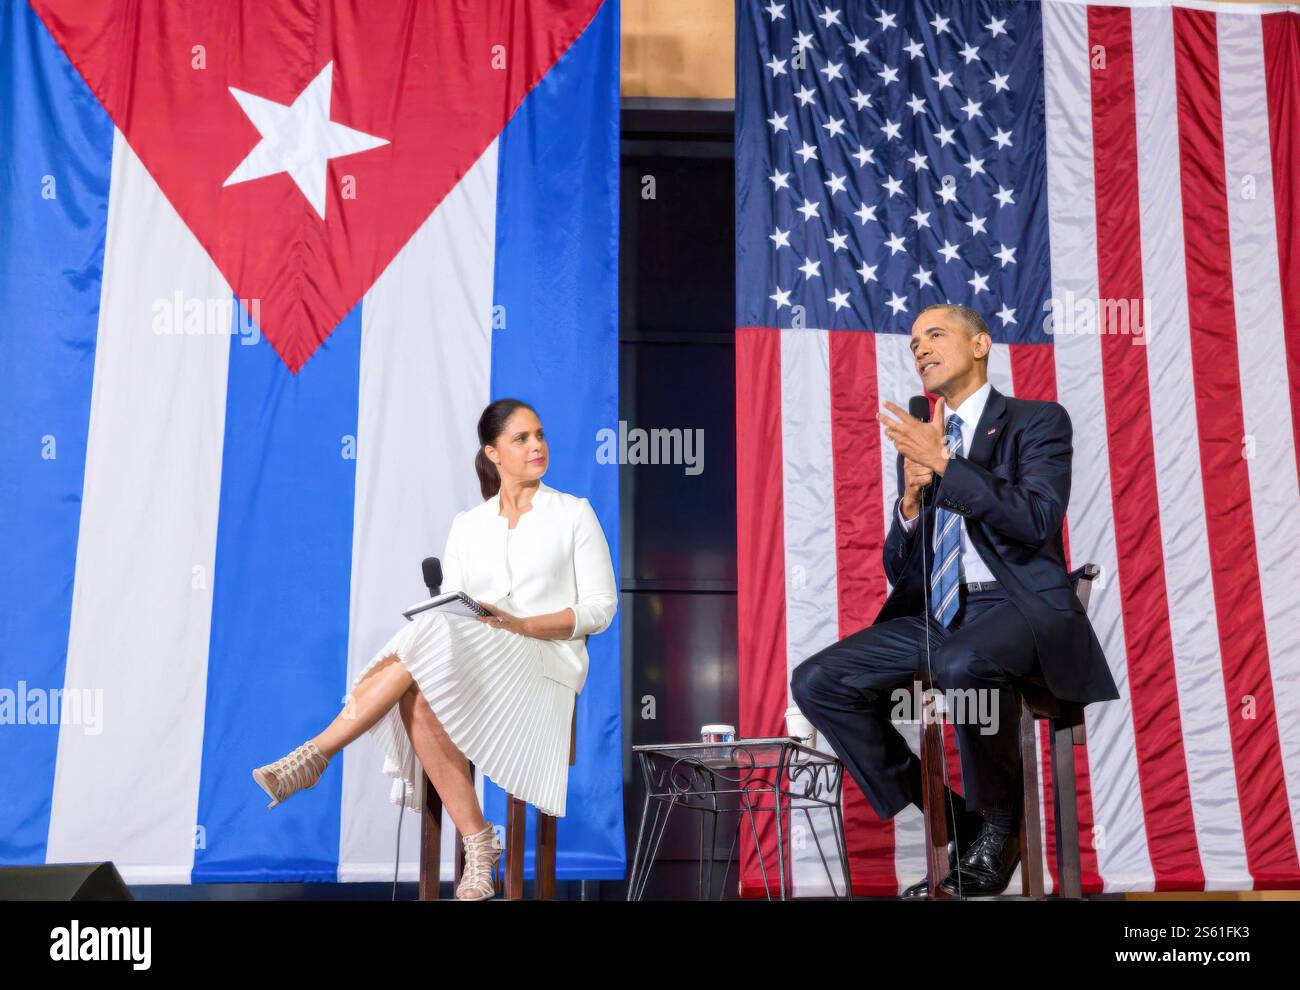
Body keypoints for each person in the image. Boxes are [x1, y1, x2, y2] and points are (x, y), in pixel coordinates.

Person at [790, 303, 1119, 898]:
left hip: (1015, 606)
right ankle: (962, 818)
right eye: (914, 342)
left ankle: (999, 824)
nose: (920, 349)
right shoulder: (920, 438)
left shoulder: (1037, 422)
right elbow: (901, 570)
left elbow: (1036, 517)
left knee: (962, 663)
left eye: (935, 335)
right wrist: (910, 508)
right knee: (817, 681)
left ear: (980, 344)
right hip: (938, 613)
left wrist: (946, 461)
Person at [251, 398, 617, 900]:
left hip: (544, 669)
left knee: (427, 638)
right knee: (420, 681)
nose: (537, 447)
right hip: (481, 668)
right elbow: (455, 610)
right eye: (521, 439)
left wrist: (522, 623)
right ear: (492, 453)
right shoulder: (469, 524)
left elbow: (600, 608)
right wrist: (481, 619)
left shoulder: (573, 513)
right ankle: (479, 842)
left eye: (540, 435)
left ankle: (318, 753)